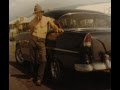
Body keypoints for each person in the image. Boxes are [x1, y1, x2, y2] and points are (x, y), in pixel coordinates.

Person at [28, 4, 64, 86]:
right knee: (33, 60)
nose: (38, 14)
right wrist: (31, 40)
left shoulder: (47, 19)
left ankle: (39, 79)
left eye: (39, 12)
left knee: (43, 60)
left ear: (41, 12)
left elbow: (53, 26)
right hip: (33, 40)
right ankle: (32, 76)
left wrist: (58, 29)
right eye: (36, 13)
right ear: (35, 13)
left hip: (42, 41)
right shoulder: (32, 21)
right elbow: (31, 32)